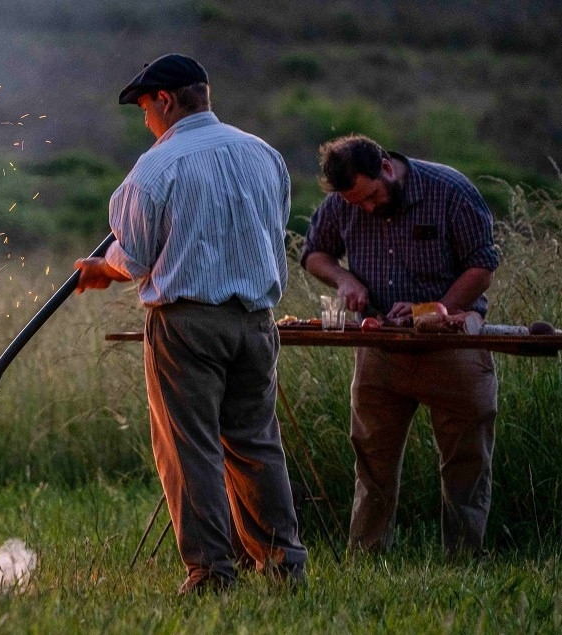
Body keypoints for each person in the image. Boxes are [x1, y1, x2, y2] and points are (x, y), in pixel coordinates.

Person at [75, 53, 307, 594]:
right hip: (255, 321)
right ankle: (283, 565)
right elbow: (270, 234)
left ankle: (210, 573)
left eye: (145, 110)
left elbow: (131, 257)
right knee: (256, 443)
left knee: (191, 447)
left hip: (187, 323)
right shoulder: (264, 155)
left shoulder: (156, 167)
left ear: (165, 100)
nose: (146, 122)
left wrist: (100, 268)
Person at [301, 134, 499, 557]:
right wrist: (345, 279)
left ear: (386, 168)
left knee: (466, 462)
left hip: (451, 347)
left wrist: (437, 310)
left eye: (372, 196)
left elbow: (482, 265)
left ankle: (464, 558)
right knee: (372, 462)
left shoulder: (450, 191)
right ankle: (367, 557)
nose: (368, 208)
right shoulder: (344, 202)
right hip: (379, 349)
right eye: (358, 204)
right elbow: (315, 252)